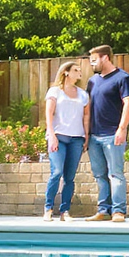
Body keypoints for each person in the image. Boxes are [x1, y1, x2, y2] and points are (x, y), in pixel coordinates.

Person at [85, 45, 129, 222]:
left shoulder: (123, 78)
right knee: (99, 175)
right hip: (94, 136)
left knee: (115, 174)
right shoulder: (92, 81)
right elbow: (88, 109)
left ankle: (118, 211)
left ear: (105, 58)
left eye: (94, 60)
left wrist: (121, 129)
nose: (92, 64)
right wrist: (86, 134)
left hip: (113, 134)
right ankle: (103, 210)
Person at [43, 61, 90, 221]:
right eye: (76, 70)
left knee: (70, 177)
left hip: (76, 138)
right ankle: (48, 209)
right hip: (58, 137)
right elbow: (49, 114)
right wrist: (51, 135)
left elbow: (86, 116)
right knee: (56, 172)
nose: (79, 73)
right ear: (66, 73)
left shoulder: (83, 94)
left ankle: (65, 211)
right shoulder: (55, 91)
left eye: (79, 70)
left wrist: (86, 135)